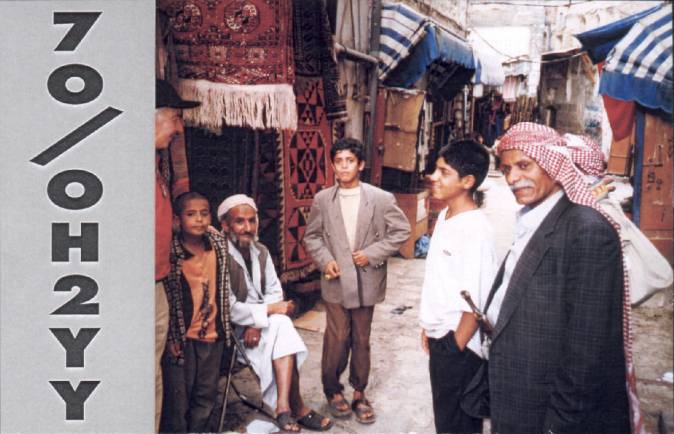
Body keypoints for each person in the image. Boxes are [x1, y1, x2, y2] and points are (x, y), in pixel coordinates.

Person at [485, 122, 641, 434]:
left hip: (548, 414)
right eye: (506, 169)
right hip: (518, 397)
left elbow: (587, 353)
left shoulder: (588, 231)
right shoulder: (536, 218)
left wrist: (558, 427)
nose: (512, 178)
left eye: (524, 165)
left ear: (554, 165)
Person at [304, 138, 411, 424]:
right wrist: (325, 260)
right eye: (338, 161)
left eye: (350, 161)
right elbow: (312, 237)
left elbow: (401, 231)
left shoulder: (380, 198)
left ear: (361, 165)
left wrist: (372, 253)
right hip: (336, 280)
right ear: (332, 165)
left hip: (367, 280)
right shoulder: (323, 200)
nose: (344, 166)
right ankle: (332, 388)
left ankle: (359, 392)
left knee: (361, 338)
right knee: (337, 336)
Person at [217, 194, 333, 433]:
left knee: (282, 327)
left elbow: (274, 292)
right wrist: (267, 312)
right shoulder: (220, 257)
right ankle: (295, 407)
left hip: (259, 326)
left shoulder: (261, 251)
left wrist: (257, 323)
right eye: (240, 222)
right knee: (282, 325)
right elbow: (229, 308)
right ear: (226, 225)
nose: (247, 228)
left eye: (252, 220)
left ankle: (283, 407)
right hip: (233, 334)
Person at [419, 140, 497, 434]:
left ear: (467, 181)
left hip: (459, 347)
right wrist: (429, 326)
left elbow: (476, 300)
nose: (433, 177)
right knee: (446, 420)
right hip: (441, 336)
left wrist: (454, 346)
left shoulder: (475, 230)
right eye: (436, 170)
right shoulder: (446, 216)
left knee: (458, 425)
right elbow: (442, 280)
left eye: (444, 172)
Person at [161, 192, 231, 433]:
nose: (199, 219)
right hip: (184, 338)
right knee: (179, 396)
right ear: (177, 220)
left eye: (204, 213)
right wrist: (172, 337)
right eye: (191, 214)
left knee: (206, 392)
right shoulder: (172, 254)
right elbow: (169, 298)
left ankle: (199, 430)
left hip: (213, 335)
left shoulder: (217, 245)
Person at [155, 79, 200, 432]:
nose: (179, 128)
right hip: (136, 287)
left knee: (151, 373)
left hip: (154, 282)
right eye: (175, 118)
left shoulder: (155, 162)